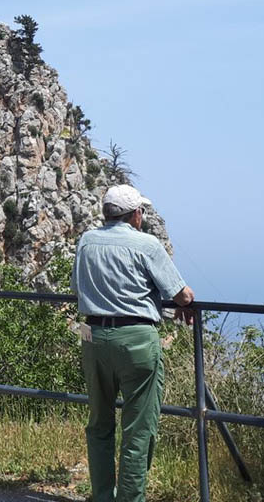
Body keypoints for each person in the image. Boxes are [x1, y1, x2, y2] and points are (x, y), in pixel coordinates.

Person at [71, 184, 195, 502]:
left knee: (99, 423)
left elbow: (78, 286)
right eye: (142, 211)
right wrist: (183, 305)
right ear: (136, 215)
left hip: (94, 337)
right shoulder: (146, 245)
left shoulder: (86, 241)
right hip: (137, 340)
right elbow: (182, 295)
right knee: (138, 428)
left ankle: (102, 497)